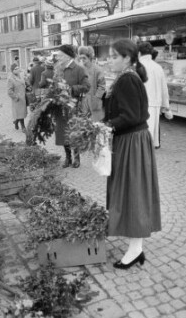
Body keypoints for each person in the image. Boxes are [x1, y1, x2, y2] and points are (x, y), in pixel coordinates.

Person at [103, 39, 161, 269]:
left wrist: (106, 125)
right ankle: (136, 246)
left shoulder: (127, 78)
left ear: (127, 58)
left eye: (114, 56)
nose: (110, 60)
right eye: (110, 55)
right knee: (131, 192)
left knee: (133, 193)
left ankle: (136, 249)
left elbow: (132, 116)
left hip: (131, 142)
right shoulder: (127, 76)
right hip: (132, 140)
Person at [55, 44, 90, 168]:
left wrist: (71, 89)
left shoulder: (79, 69)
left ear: (67, 56)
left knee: (74, 132)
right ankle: (68, 157)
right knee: (63, 133)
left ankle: (77, 158)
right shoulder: (58, 68)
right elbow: (54, 84)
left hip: (73, 106)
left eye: (60, 56)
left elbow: (87, 86)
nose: (58, 58)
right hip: (60, 106)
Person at [138, 42, 172, 149]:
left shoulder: (137, 66)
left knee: (141, 130)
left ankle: (142, 151)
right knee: (152, 130)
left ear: (139, 53)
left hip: (140, 104)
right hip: (155, 103)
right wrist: (166, 106)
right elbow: (164, 89)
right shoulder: (158, 67)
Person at [77, 46, 106, 122]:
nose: (82, 60)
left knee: (96, 124)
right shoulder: (80, 69)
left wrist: (97, 98)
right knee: (83, 123)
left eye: (84, 58)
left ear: (90, 57)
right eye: (81, 58)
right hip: (83, 100)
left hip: (94, 100)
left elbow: (102, 86)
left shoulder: (97, 69)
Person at [7, 64, 27, 131]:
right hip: (17, 99)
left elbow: (24, 84)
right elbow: (9, 91)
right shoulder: (11, 79)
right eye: (15, 69)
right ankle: (23, 126)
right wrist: (16, 97)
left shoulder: (20, 76)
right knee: (20, 113)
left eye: (18, 68)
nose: (17, 69)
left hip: (23, 98)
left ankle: (16, 122)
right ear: (12, 70)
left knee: (22, 112)